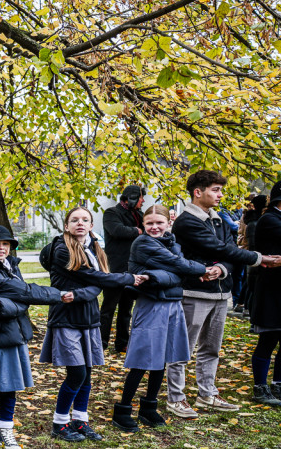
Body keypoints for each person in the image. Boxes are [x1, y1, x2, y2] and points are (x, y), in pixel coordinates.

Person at [165, 170, 279, 419]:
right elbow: (217, 247)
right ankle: (176, 398)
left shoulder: (217, 219)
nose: (220, 195)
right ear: (198, 192)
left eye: (220, 190)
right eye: (215, 190)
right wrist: (262, 258)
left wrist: (221, 269)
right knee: (183, 348)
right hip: (194, 292)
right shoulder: (187, 221)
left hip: (219, 294)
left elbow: (230, 251)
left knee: (212, 348)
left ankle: (207, 393)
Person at [40, 206, 145, 442]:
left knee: (86, 373)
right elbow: (96, 278)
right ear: (66, 226)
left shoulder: (95, 249)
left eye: (85, 220)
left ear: (90, 225)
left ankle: (80, 421)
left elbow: (98, 283)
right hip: (66, 318)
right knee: (76, 373)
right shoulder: (61, 250)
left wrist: (80, 294)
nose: (80, 223)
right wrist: (128, 278)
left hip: (88, 318)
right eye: (74, 220)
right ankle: (59, 423)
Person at [0, 224, 68, 449]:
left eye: (5, 244)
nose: (1, 248)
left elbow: (19, 296)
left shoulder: (12, 265)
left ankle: (5, 431)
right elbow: (19, 295)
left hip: (16, 331)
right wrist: (23, 299)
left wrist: (17, 300)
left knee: (12, 385)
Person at [112, 205, 207, 431]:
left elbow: (180, 271)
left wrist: (156, 275)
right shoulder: (143, 243)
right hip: (151, 305)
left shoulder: (172, 243)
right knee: (142, 360)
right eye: (149, 223)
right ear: (143, 225)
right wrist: (199, 270)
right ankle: (123, 410)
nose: (154, 227)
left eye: (159, 223)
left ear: (168, 223)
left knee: (162, 359)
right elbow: (181, 267)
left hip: (172, 305)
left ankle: (148, 408)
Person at [247, 181, 281, 406]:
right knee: (268, 338)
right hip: (272, 288)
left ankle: (278, 384)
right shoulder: (270, 219)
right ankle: (260, 386)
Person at [100, 185, 145, 352]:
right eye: (141, 198)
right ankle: (101, 343)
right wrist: (138, 230)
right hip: (115, 269)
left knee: (126, 309)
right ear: (132, 198)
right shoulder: (112, 213)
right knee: (108, 308)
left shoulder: (138, 214)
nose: (143, 201)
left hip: (132, 268)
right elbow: (117, 231)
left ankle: (122, 343)